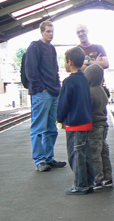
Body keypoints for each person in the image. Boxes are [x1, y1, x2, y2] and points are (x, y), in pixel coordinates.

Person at [24, 20, 66, 172]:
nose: (51, 34)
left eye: (52, 31)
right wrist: (40, 88)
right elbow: (31, 70)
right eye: (48, 31)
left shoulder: (52, 48)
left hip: (54, 92)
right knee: (38, 128)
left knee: (51, 128)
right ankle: (40, 160)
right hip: (42, 93)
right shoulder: (35, 46)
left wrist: (58, 88)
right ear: (41, 32)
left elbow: (55, 70)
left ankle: (48, 157)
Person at [57, 47, 95, 195]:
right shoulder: (84, 79)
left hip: (74, 124)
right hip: (86, 122)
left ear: (70, 62)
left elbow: (63, 104)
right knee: (85, 155)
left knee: (76, 155)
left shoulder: (68, 82)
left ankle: (80, 185)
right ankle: (89, 183)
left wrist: (59, 119)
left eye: (65, 62)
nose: (65, 65)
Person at [84, 64, 113, 189]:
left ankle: (97, 179)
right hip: (103, 126)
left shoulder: (90, 92)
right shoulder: (101, 91)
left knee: (94, 153)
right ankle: (108, 177)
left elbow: (87, 110)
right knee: (104, 153)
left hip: (94, 126)